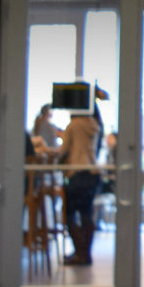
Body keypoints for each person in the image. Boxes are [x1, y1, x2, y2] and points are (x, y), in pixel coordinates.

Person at [57, 103, 103, 266]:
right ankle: (85, 253)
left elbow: (62, 151)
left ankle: (79, 252)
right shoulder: (95, 125)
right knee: (86, 214)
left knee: (69, 214)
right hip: (92, 173)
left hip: (77, 173)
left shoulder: (74, 125)